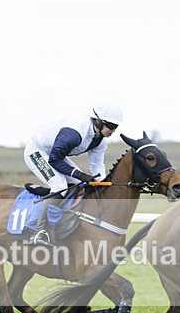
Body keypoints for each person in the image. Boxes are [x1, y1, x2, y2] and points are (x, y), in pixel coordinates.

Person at [25, 104, 123, 246]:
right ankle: (38, 232)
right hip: (37, 151)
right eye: (111, 126)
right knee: (59, 185)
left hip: (55, 153)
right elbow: (54, 160)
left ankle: (60, 216)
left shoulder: (100, 140)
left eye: (116, 127)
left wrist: (103, 184)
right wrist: (81, 175)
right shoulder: (74, 134)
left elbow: (97, 167)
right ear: (98, 121)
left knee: (79, 186)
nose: (113, 131)